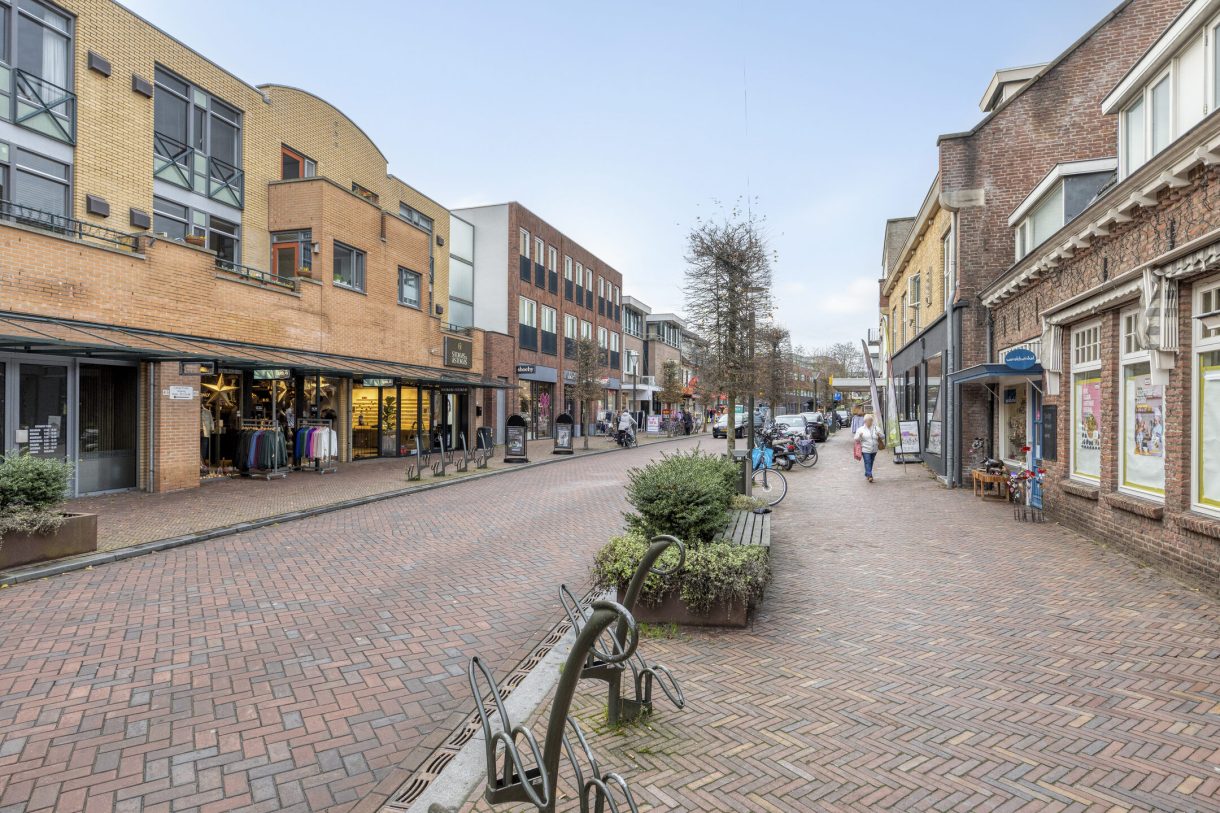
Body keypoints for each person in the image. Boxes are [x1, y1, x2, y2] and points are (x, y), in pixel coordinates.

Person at [854, 414, 883, 483]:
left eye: (871, 420)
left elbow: (883, 436)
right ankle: (870, 475)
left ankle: (867, 473)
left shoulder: (876, 428)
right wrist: (859, 436)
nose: (869, 422)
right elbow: (856, 439)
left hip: (874, 449)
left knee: (871, 462)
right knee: (867, 461)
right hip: (865, 449)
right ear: (865, 421)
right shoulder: (861, 429)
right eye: (868, 420)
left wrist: (880, 435)